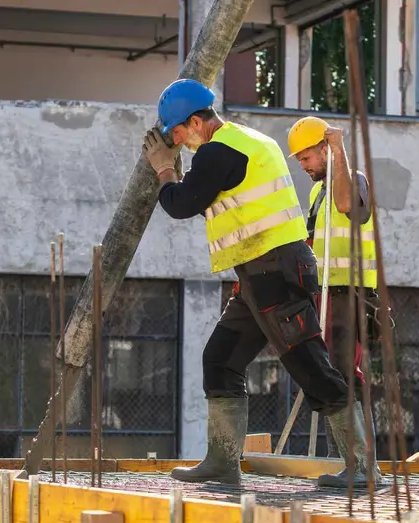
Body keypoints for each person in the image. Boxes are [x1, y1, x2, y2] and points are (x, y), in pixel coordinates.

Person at [142, 79, 377, 488]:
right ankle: (222, 461)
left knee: (312, 368)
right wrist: (179, 174)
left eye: (177, 133)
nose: (177, 142)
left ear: (196, 122)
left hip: (273, 273)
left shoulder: (218, 151)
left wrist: (164, 170)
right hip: (261, 273)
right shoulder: (248, 141)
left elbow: (180, 205)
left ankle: (363, 468)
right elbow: (213, 200)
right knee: (220, 358)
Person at [286, 116, 383, 479]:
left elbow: (349, 206)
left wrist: (340, 149)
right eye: (299, 160)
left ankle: (361, 465)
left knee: (344, 374)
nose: (303, 165)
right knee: (330, 374)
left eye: (307, 157)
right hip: (325, 294)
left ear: (326, 149)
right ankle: (345, 459)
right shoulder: (317, 192)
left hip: (350, 294)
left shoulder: (352, 180)